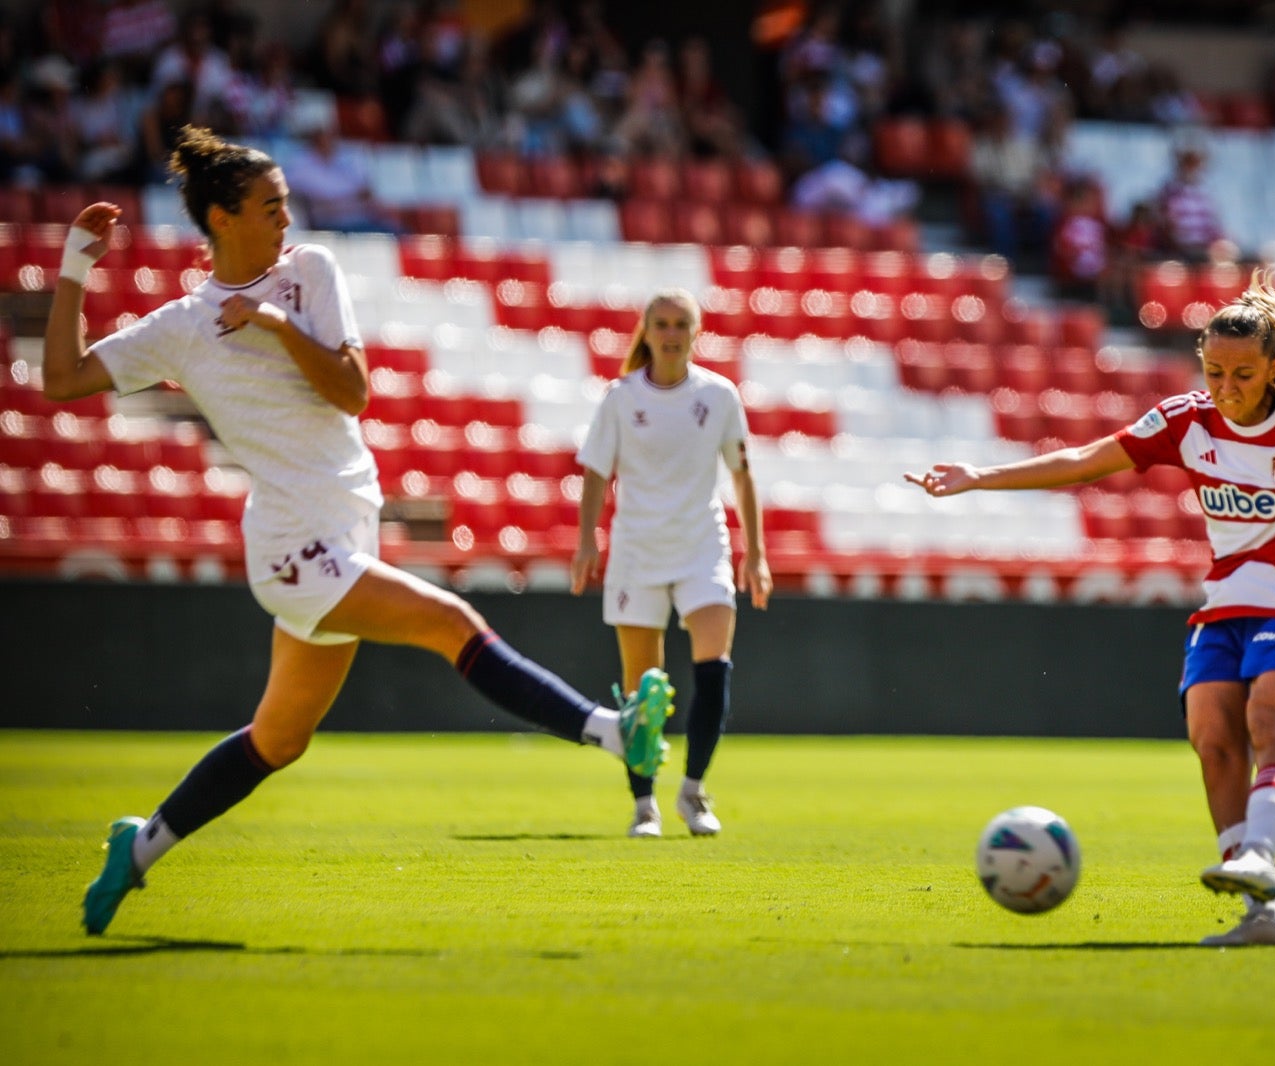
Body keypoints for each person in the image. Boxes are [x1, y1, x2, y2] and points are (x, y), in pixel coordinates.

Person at [44, 125, 675, 936]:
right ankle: (613, 733)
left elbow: (352, 390)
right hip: (292, 546)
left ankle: (138, 848)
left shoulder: (310, 272)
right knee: (452, 624)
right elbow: (61, 378)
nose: (287, 218)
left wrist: (273, 324)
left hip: (346, 529)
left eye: (286, 203)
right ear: (222, 218)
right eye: (271, 206)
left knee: (278, 740)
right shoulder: (182, 326)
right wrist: (73, 271)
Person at [906, 269, 1275, 946]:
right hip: (1225, 606)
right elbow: (1088, 460)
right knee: (1212, 738)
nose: (1226, 388)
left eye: (1243, 374)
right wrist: (979, 478)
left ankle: (1259, 855)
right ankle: (1263, 912)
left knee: (1269, 723)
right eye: (1215, 371)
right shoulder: (1184, 420)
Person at [570, 289, 773, 838]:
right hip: (637, 550)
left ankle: (692, 791)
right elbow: (595, 471)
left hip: (701, 546)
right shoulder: (619, 397)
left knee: (714, 669)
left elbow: (742, 474)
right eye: (660, 323)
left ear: (696, 330)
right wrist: (587, 540)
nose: (670, 333)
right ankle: (643, 805)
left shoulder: (720, 394)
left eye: (680, 323)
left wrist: (755, 553)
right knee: (643, 690)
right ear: (646, 330)